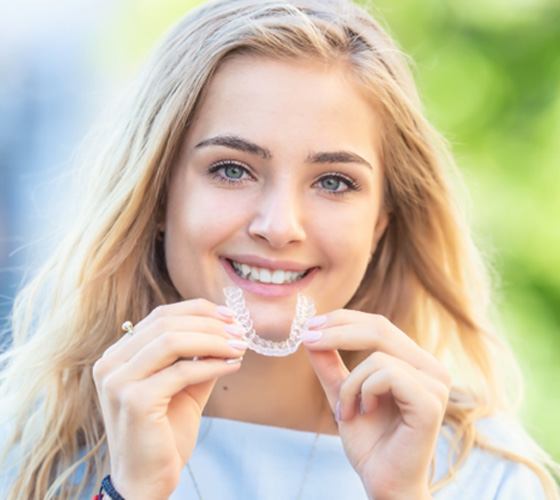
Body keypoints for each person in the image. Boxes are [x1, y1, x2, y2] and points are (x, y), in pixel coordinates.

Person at [1, 0, 559, 498]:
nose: (279, 226)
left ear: (381, 223)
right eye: (232, 169)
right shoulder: (27, 456)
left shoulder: (492, 477)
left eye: (334, 181)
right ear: (157, 198)